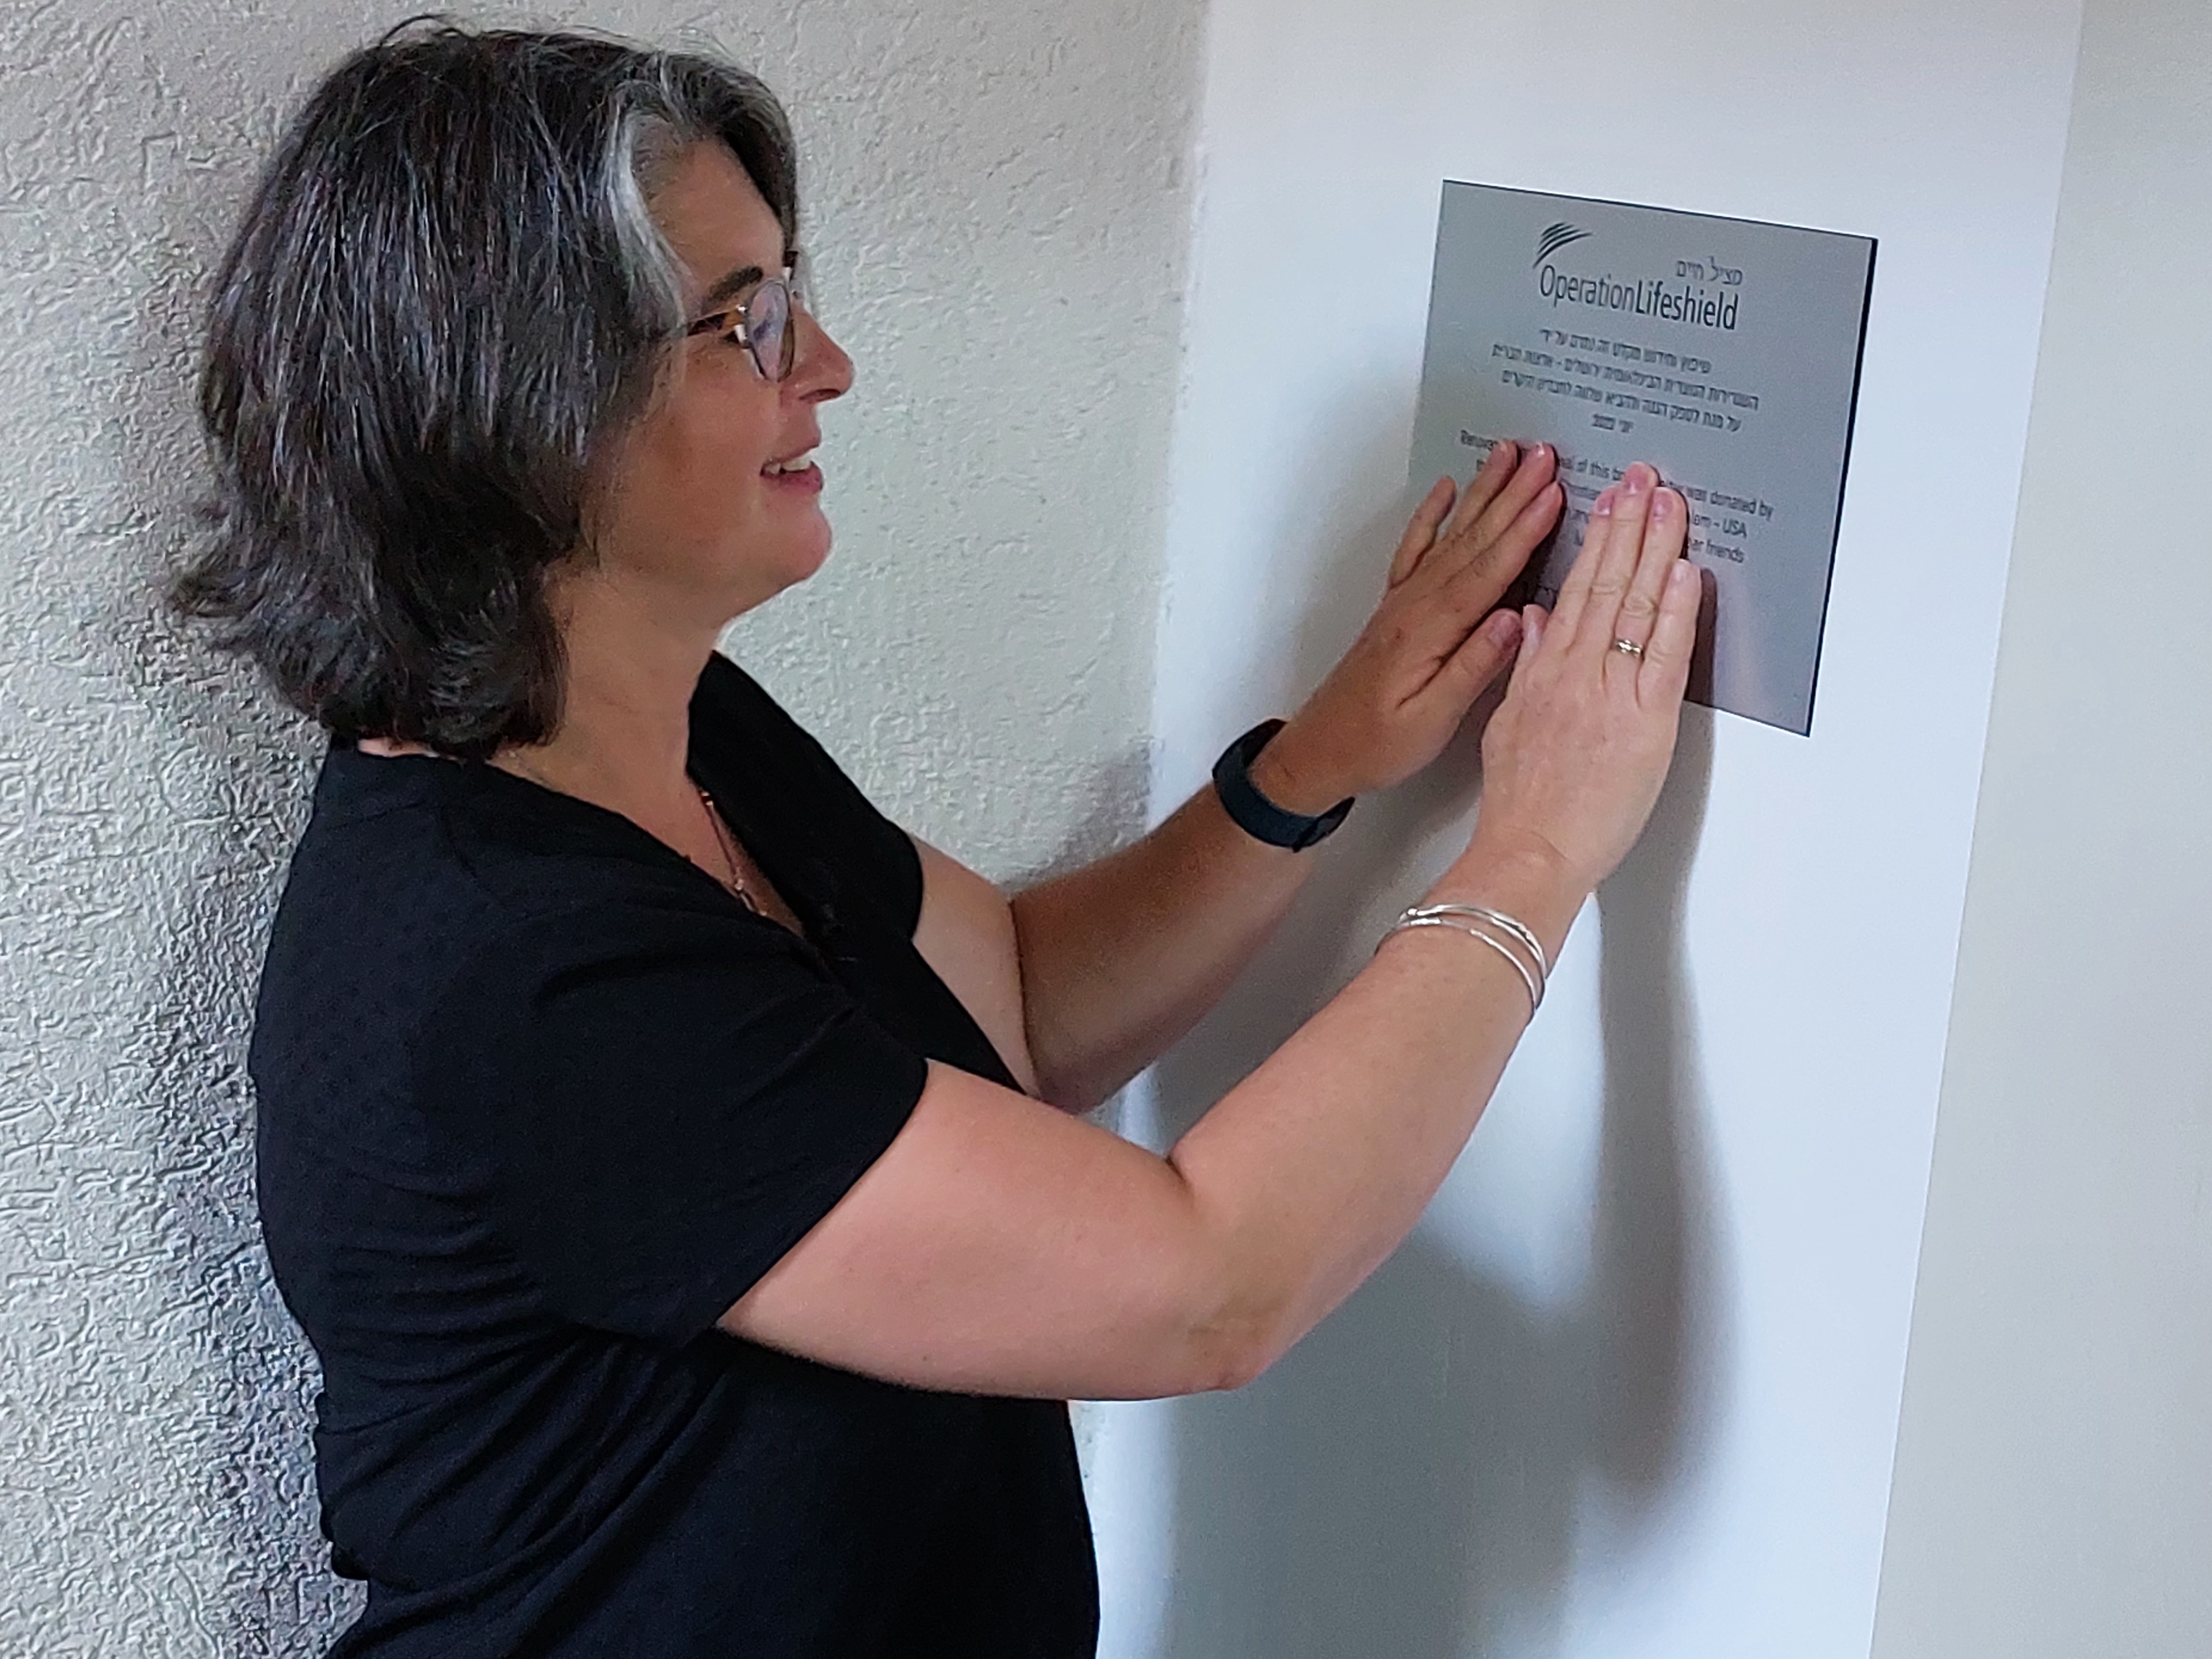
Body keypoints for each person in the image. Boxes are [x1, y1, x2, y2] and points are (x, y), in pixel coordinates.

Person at [171, 22, 1700, 1659]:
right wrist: (1533, 849)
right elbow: (1211, 1279)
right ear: (527, 406)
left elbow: (1018, 1010)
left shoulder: (669, 735)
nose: (822, 361)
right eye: (743, 319)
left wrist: (1327, 755)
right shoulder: (514, 964)